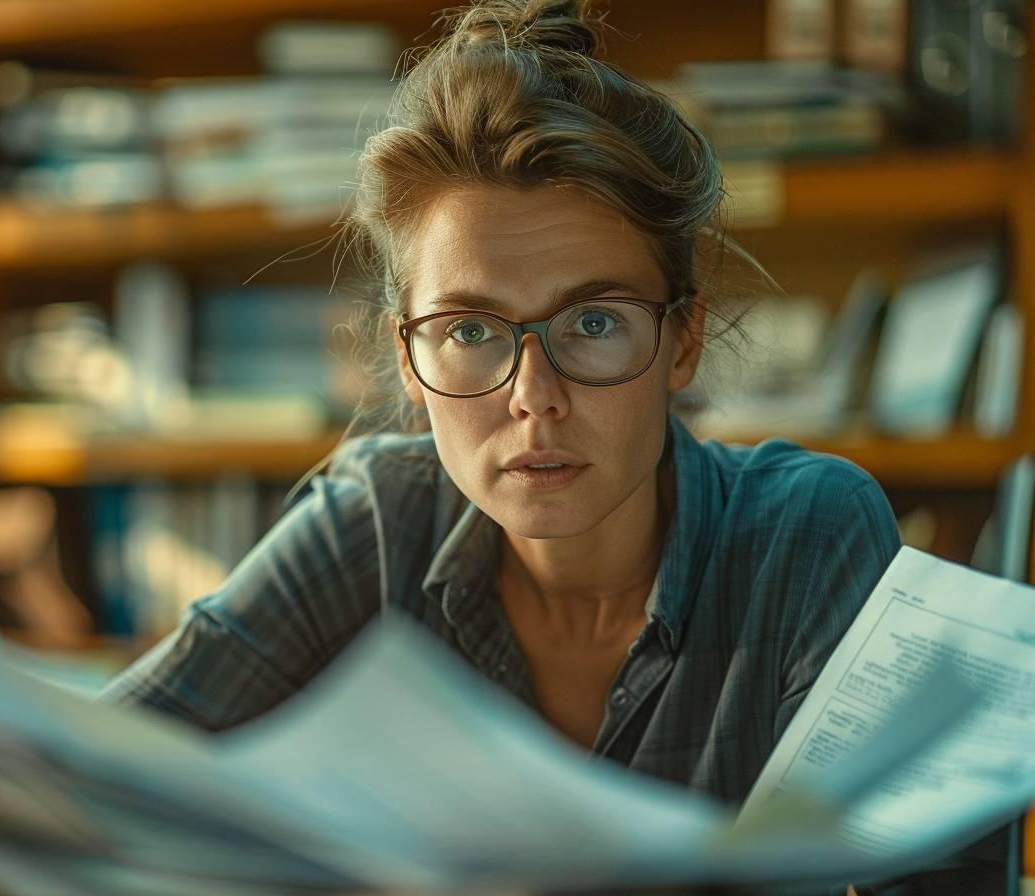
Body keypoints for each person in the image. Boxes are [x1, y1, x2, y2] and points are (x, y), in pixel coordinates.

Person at [100, 2, 1010, 894]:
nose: (535, 400)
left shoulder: (802, 534)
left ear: (683, 337)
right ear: (405, 358)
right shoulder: (376, 518)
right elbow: (82, 778)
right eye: (468, 332)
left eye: (595, 321)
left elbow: (938, 878)